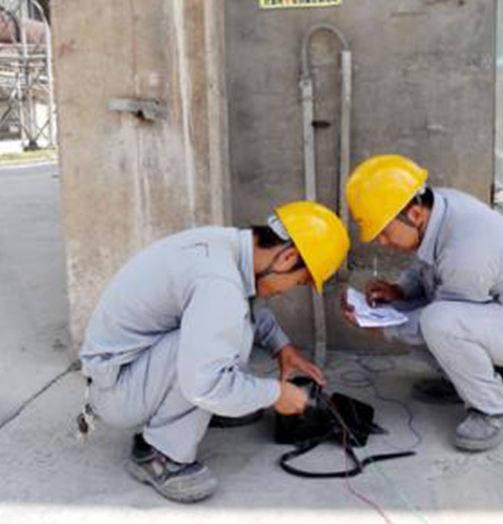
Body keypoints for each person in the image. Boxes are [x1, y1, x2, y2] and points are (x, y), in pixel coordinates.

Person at [79, 201, 350, 502]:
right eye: (297, 282)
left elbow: (250, 301)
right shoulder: (220, 284)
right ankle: (157, 452)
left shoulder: (228, 246)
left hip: (126, 372)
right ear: (287, 257)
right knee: (221, 349)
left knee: (229, 329)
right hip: (118, 392)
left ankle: (199, 408)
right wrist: (277, 394)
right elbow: (204, 381)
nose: (286, 290)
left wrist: (281, 346)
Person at [342, 154, 503, 452]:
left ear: (413, 213)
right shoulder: (440, 207)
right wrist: (400, 292)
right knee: (417, 317)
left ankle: (493, 408)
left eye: (384, 230)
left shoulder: (467, 247)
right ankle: (462, 383)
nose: (382, 241)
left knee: (436, 322)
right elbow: (427, 265)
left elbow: (439, 320)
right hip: (502, 316)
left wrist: (381, 326)